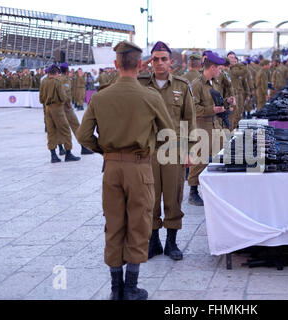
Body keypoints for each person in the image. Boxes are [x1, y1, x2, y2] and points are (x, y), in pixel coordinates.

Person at [76, 40, 175, 300]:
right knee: (139, 223)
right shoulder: (150, 96)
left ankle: (114, 288)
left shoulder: (100, 96)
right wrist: (150, 147)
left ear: (116, 64)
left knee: (114, 224)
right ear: (141, 65)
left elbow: (83, 136)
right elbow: (168, 133)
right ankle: (131, 287)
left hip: (111, 168)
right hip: (140, 167)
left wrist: (106, 151)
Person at [138, 41, 196, 261]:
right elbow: (119, 83)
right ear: (149, 61)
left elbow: (189, 119)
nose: (159, 63)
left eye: (164, 59)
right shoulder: (141, 83)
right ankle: (154, 242)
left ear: (171, 62)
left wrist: (188, 150)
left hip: (174, 148)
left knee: (173, 195)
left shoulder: (181, 86)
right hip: (148, 150)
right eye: (155, 59)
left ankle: (172, 242)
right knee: (149, 197)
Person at [188, 52, 227, 206]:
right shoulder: (197, 84)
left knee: (218, 157)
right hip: (201, 125)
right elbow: (194, 108)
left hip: (215, 124)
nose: (220, 71)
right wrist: (213, 110)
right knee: (200, 159)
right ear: (212, 67)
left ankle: (213, 189)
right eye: (218, 68)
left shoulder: (214, 83)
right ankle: (193, 191)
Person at [39, 65, 81, 163]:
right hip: (57, 108)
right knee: (65, 130)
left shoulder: (44, 82)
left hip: (47, 108)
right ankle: (68, 154)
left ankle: (53, 155)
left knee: (51, 132)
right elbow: (62, 96)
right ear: (56, 73)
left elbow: (41, 98)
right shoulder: (57, 82)